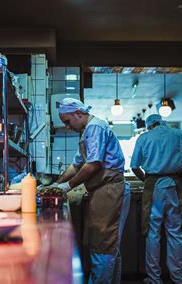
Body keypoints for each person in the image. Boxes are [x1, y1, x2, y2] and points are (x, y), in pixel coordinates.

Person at [52, 98, 130, 284]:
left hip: (110, 190)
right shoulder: (86, 132)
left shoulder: (96, 127)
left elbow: (93, 164)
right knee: (107, 245)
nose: (67, 127)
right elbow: (76, 166)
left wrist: (67, 186)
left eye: (67, 122)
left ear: (78, 113)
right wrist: (56, 184)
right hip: (101, 191)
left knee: (103, 245)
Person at [130, 114, 182, 284]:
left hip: (153, 187)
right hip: (174, 185)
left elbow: (135, 166)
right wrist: (177, 175)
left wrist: (148, 179)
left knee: (153, 233)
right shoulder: (179, 134)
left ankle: (154, 279)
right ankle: (180, 279)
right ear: (162, 122)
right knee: (176, 232)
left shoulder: (144, 137)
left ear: (149, 125)